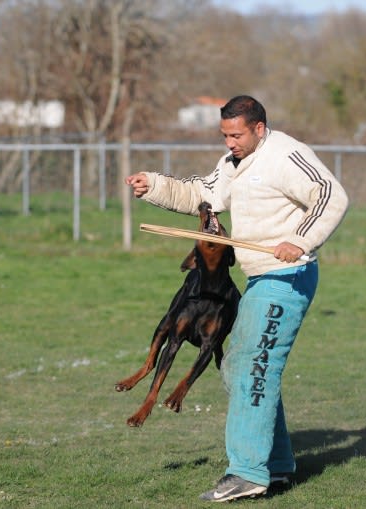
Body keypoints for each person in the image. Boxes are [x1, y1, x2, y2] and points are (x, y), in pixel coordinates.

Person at [125, 95, 349, 502]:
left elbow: (331, 195)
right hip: (260, 279)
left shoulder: (287, 155)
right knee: (237, 370)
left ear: (259, 128)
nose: (229, 142)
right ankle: (277, 466)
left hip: (287, 276)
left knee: (249, 368)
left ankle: (246, 472)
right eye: (225, 135)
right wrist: (154, 186)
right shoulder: (233, 164)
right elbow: (203, 193)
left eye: (236, 135)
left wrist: (300, 240)